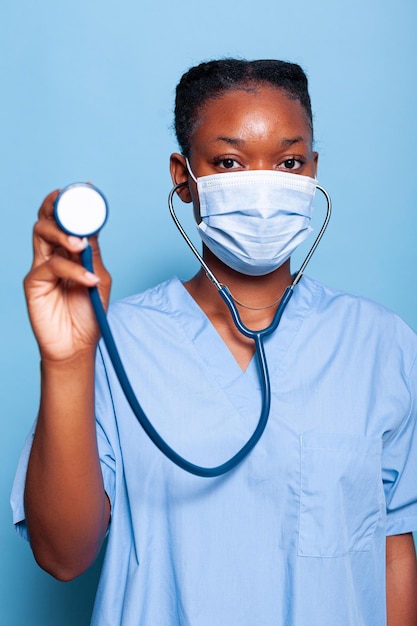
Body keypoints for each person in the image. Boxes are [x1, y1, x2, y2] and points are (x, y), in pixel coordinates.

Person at [11, 59, 417, 625]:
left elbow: (392, 551)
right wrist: (67, 360)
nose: (263, 185)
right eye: (228, 162)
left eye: (289, 161)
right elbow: (60, 556)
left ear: (313, 173)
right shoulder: (115, 342)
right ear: (184, 177)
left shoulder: (381, 344)